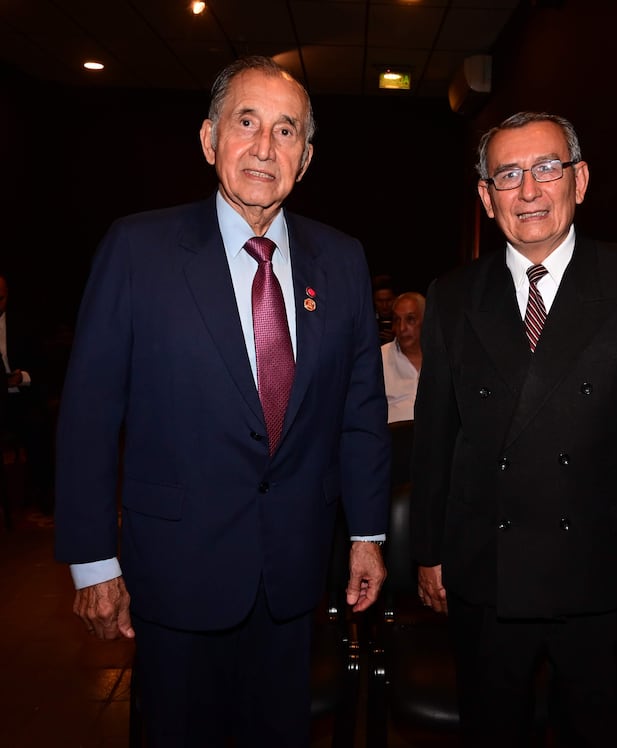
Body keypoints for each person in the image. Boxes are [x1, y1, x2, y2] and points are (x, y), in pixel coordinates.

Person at [54, 55, 390, 748]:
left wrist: (367, 533)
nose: (265, 147)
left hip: (293, 573)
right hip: (174, 572)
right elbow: (89, 415)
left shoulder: (344, 260)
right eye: (246, 122)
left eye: (287, 130)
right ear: (210, 140)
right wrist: (93, 562)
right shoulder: (137, 249)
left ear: (307, 155)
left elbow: (360, 411)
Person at [409, 111, 617, 747]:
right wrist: (429, 551)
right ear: (487, 199)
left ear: (581, 180)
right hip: (487, 573)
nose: (529, 190)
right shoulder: (454, 295)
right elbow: (437, 434)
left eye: (548, 169)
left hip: (606, 574)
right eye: (509, 175)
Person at [0, 272, 55, 513]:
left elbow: (43, 369)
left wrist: (20, 378)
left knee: (37, 425)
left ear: (8, 297)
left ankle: (43, 490)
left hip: (23, 398)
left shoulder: (23, 325)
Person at [381, 291, 425, 423]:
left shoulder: (443, 357)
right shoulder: (379, 358)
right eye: (397, 320)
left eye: (410, 319)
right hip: (395, 438)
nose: (402, 328)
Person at [372, 273, 397, 344]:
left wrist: (396, 340)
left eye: (388, 300)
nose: (384, 305)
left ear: (395, 298)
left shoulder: (402, 321)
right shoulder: (367, 321)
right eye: (380, 301)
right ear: (373, 300)